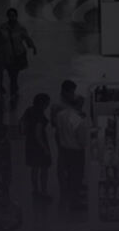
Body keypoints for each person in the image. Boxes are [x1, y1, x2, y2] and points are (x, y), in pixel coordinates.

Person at [53, 80, 89, 211]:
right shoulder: (78, 120)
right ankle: (75, 201)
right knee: (76, 175)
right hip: (76, 151)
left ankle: (68, 193)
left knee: (68, 172)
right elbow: (82, 140)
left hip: (65, 147)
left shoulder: (61, 114)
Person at [0, 5, 35, 108]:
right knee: (12, 75)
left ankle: (13, 90)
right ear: (7, 16)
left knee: (14, 76)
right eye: (10, 15)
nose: (12, 17)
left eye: (13, 15)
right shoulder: (3, 27)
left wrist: (32, 46)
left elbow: (27, 38)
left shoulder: (21, 28)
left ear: (16, 16)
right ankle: (14, 90)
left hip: (18, 55)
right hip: (7, 55)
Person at [20, 93, 55, 200]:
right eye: (47, 102)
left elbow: (22, 123)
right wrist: (45, 148)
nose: (48, 105)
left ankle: (35, 190)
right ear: (43, 103)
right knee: (44, 169)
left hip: (29, 143)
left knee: (34, 168)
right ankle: (44, 192)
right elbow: (38, 133)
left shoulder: (29, 110)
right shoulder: (40, 115)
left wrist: (25, 132)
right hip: (39, 145)